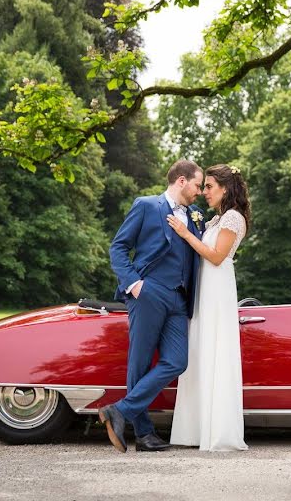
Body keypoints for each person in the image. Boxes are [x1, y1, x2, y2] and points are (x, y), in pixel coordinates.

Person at [99, 160, 205, 453]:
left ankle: (120, 410)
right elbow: (118, 247)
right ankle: (144, 434)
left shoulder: (195, 215)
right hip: (149, 291)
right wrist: (135, 285)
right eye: (198, 185)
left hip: (179, 298)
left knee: (176, 361)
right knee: (140, 362)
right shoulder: (146, 205)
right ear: (181, 181)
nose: (199, 192)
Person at [166, 164, 251, 452]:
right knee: (201, 352)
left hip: (218, 292)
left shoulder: (233, 218)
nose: (204, 193)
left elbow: (216, 257)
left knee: (216, 351)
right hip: (205, 291)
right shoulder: (215, 220)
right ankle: (196, 429)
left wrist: (185, 234)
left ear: (225, 189)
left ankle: (219, 432)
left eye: (210, 187)